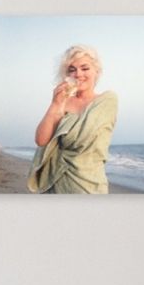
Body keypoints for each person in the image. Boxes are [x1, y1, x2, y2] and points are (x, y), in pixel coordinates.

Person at [27, 44, 121, 193]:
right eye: (72, 70)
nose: (78, 74)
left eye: (85, 68)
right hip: (55, 184)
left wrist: (60, 131)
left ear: (96, 71)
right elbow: (41, 140)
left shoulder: (107, 100)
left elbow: (82, 140)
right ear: (66, 75)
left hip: (88, 184)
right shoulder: (61, 103)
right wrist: (55, 105)